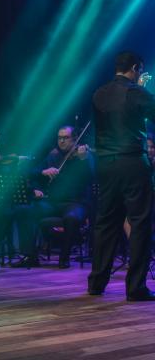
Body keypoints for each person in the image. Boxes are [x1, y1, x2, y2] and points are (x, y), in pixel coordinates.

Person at [88, 51, 155, 301]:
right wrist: (142, 90)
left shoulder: (99, 93)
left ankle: (96, 283)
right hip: (132, 162)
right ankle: (135, 287)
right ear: (135, 68)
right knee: (139, 223)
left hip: (105, 163)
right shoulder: (137, 92)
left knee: (105, 223)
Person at [12, 125, 94, 268]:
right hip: (52, 203)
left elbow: (92, 176)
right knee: (23, 211)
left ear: (75, 139)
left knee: (71, 218)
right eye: (59, 138)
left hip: (76, 203)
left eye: (66, 138)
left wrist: (84, 160)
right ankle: (30, 256)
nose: (61, 141)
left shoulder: (83, 155)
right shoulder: (53, 155)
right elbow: (33, 172)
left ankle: (64, 258)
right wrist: (42, 174)